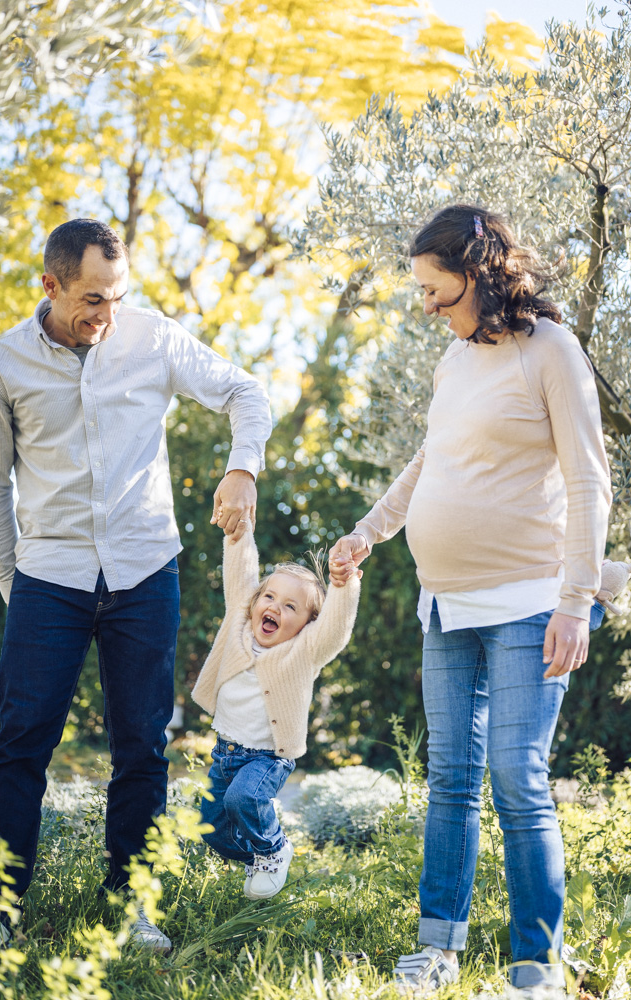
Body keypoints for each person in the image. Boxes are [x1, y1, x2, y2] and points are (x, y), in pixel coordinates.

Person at [0, 218, 272, 963]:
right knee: (19, 744)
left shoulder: (153, 339)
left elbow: (244, 392)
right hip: (50, 576)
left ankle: (131, 907)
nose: (105, 317)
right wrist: (18, 587)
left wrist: (242, 468)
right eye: (91, 301)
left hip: (143, 572)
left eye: (115, 298)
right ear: (51, 285)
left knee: (142, 744)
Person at [329, 205, 616, 993]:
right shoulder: (454, 360)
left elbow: (591, 479)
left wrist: (575, 599)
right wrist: (368, 531)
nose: (424, 304)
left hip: (530, 602)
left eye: (433, 289)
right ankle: (438, 947)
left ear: (478, 272)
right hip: (445, 605)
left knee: (517, 777)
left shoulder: (549, 350)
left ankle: (534, 960)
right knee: (451, 779)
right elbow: (431, 461)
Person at [191, 519, 360, 900]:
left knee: (243, 799)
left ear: (306, 625)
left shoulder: (305, 650)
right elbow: (241, 572)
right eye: (269, 598)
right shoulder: (239, 620)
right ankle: (258, 856)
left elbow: (335, 627)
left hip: (269, 756)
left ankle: (273, 848)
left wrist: (343, 586)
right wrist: (239, 533)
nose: (274, 608)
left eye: (290, 607)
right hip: (226, 752)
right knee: (210, 828)